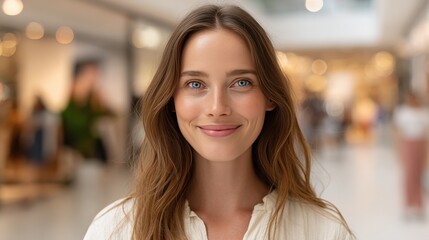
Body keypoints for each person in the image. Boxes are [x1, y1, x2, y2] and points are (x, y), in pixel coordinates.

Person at [84, 4, 354, 239]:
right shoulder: (116, 230)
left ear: (270, 96)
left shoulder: (323, 231)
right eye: (195, 83)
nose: (217, 108)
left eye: (241, 82)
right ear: (171, 100)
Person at [393, 92, 429, 220]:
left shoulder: (424, 113)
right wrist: (398, 150)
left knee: (419, 175)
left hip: (421, 144)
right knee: (409, 175)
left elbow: (426, 134)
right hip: (408, 144)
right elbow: (398, 133)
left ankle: (419, 205)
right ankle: (408, 205)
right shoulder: (402, 112)